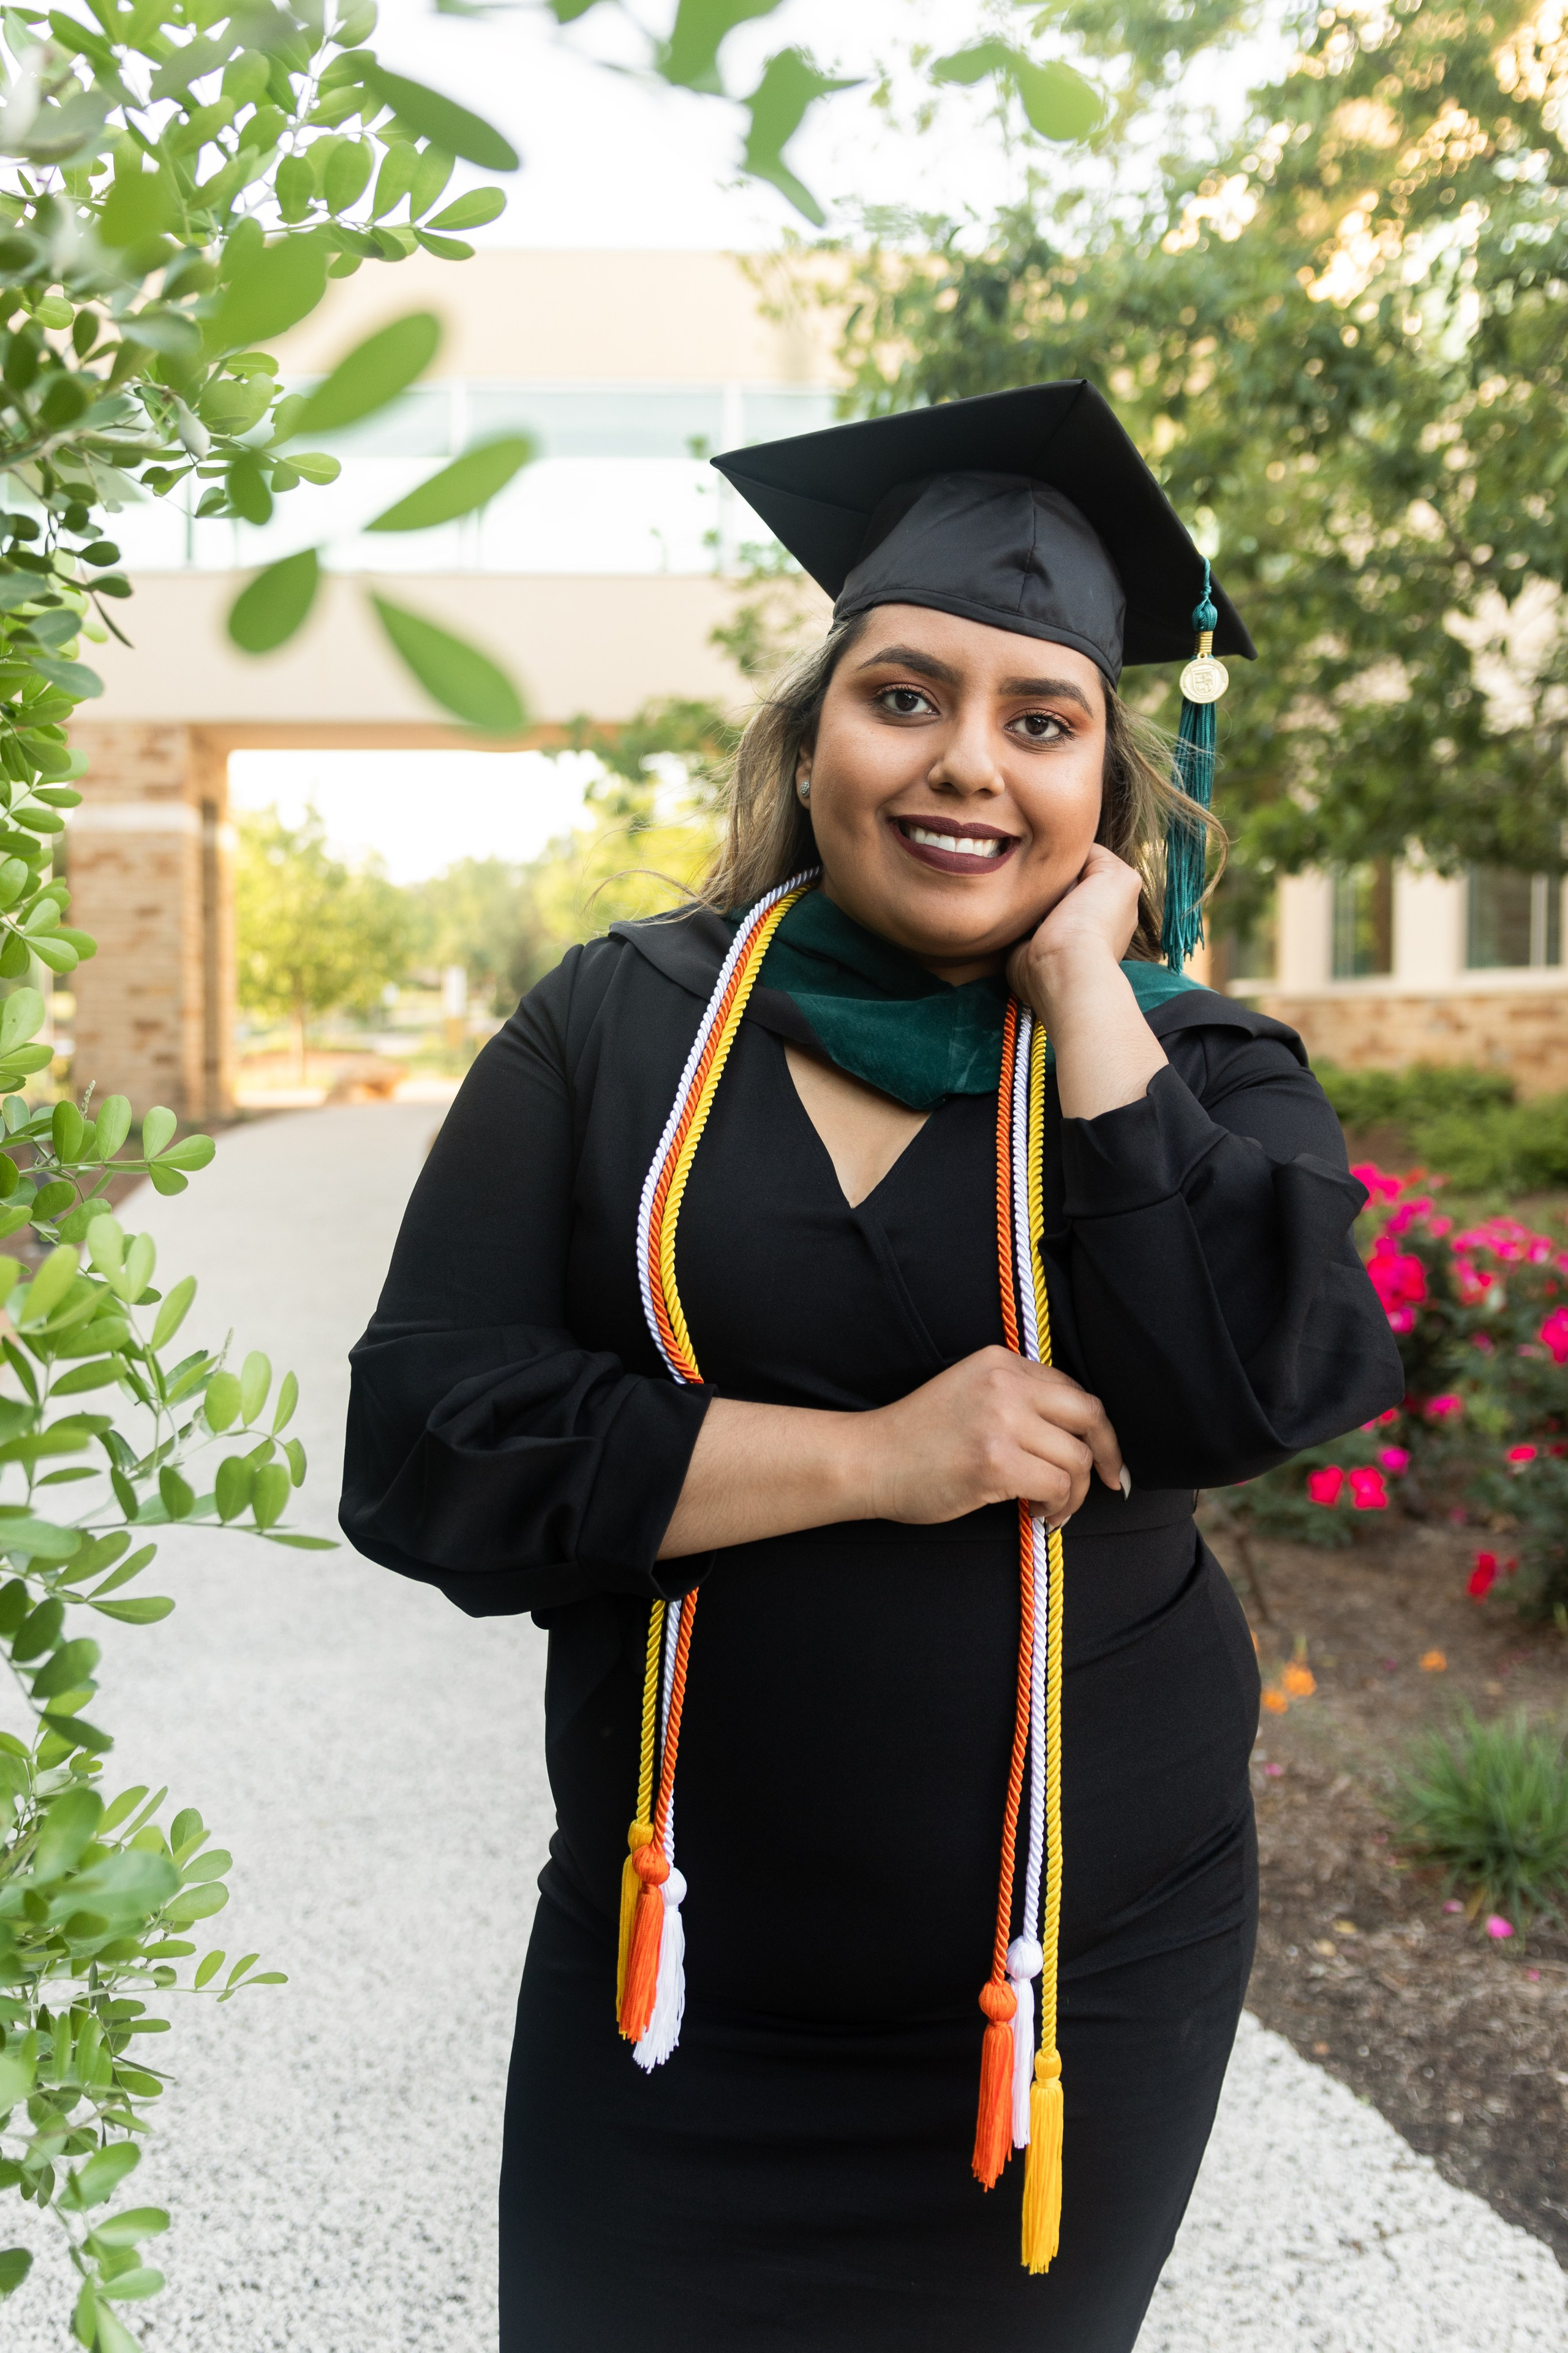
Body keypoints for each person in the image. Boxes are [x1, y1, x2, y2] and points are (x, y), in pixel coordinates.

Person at [341, 380, 1404, 2353]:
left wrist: (1085, 994)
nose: (967, 763)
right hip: (670, 1976)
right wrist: (882, 1456)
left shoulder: (1194, 1067)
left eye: (1043, 721)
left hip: (1067, 1984)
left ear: (1108, 786)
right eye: (905, 696)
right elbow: (427, 1446)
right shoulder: (621, 1026)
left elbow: (1253, 1384)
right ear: (812, 732)